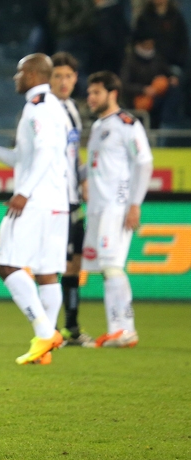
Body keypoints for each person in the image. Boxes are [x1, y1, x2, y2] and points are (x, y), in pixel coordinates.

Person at [0, 53, 70, 365]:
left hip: (37, 200)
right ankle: (45, 346)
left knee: (6, 264)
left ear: (31, 74)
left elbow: (43, 152)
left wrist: (24, 193)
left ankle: (44, 332)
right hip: (57, 201)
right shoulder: (56, 107)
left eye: (18, 72)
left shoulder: (37, 106)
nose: (15, 78)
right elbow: (22, 158)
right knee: (47, 274)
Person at [84, 71, 153, 348]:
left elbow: (145, 163)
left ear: (112, 94)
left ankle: (124, 330)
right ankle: (119, 330)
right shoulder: (100, 126)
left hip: (116, 206)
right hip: (99, 208)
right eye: (89, 93)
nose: (90, 98)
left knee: (112, 266)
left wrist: (134, 203)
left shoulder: (127, 124)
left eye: (96, 92)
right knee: (107, 268)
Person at [49, 51, 94, 347]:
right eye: (58, 76)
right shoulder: (46, 109)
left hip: (73, 197)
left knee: (75, 263)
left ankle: (72, 328)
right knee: (57, 264)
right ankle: (50, 330)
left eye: (68, 76)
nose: (64, 82)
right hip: (55, 199)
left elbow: (73, 153)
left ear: (75, 79)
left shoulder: (72, 109)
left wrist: (84, 178)